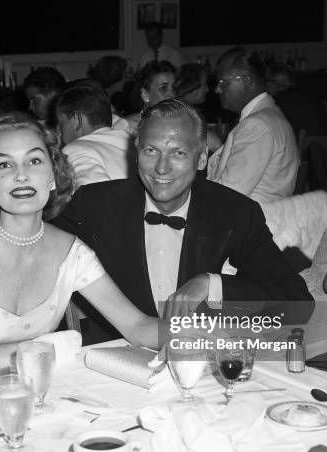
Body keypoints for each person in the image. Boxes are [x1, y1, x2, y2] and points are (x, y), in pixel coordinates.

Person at [0, 114, 162, 382]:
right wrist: (31, 352)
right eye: (4, 165)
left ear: (52, 175)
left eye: (34, 161)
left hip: (35, 396)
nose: (21, 175)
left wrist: (203, 337)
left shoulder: (73, 254)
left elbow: (137, 326)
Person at [55, 99, 313, 343]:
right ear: (135, 152)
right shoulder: (95, 204)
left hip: (199, 355)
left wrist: (212, 285)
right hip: (117, 361)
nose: (161, 168)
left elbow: (297, 304)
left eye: (178, 153)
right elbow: (36, 244)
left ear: (201, 158)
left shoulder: (233, 211)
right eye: (151, 151)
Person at [207, 47, 300, 204]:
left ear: (246, 80)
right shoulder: (271, 114)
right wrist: (217, 147)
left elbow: (227, 197)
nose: (217, 89)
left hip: (251, 224)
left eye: (222, 83)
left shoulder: (257, 125)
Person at [56, 80, 134, 189]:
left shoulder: (76, 151)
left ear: (76, 120)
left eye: (61, 123)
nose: (58, 131)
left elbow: (93, 200)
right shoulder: (133, 143)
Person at [265, 63, 327, 138]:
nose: (265, 86)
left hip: (307, 147)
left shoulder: (280, 102)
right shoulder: (310, 94)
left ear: (273, 83)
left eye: (266, 82)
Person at [175, 63, 222, 153]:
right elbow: (215, 144)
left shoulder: (185, 110)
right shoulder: (181, 115)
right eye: (204, 85)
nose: (207, 89)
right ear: (192, 87)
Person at [125, 60, 176, 133]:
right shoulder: (129, 127)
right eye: (163, 88)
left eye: (174, 87)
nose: (172, 94)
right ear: (145, 94)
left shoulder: (184, 121)